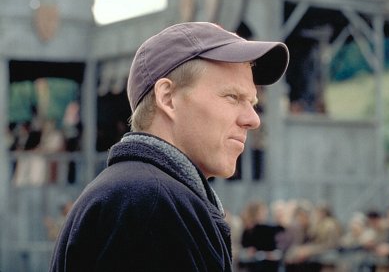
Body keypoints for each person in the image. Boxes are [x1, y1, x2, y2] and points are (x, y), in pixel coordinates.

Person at [49, 22, 289, 271]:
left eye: (252, 102)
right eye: (233, 97)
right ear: (167, 98)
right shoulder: (149, 204)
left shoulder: (141, 195)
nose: (253, 119)